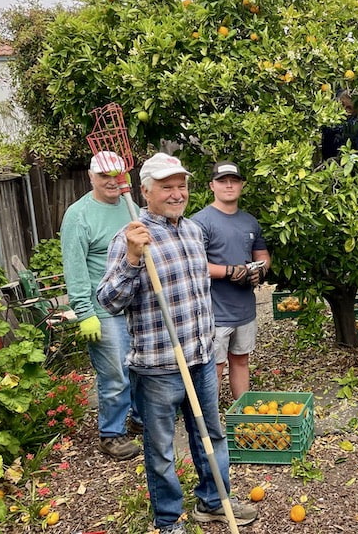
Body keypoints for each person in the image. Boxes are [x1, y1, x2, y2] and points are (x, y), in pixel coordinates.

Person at [96, 153, 257, 532]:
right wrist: (133, 259)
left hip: (200, 357)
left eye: (181, 185)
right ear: (146, 191)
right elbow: (109, 301)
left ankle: (213, 503)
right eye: (166, 186)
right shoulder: (131, 237)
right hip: (158, 367)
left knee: (211, 435)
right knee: (162, 452)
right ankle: (168, 521)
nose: (176, 193)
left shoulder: (193, 231)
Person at [60, 151, 142, 461]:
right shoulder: (79, 214)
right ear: (91, 177)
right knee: (115, 373)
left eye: (117, 175)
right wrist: (84, 312)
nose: (111, 181)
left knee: (138, 366)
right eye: (104, 175)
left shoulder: (130, 207)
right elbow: (75, 267)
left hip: (136, 304)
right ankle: (111, 434)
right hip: (103, 310)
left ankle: (137, 418)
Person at [192, 161, 271, 400]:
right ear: (211, 186)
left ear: (242, 185)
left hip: (244, 309)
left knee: (241, 360)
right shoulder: (199, 222)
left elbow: (263, 256)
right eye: (222, 181)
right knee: (214, 367)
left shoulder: (249, 221)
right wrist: (230, 271)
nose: (229, 185)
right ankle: (209, 424)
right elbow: (194, 266)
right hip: (213, 312)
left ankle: (241, 413)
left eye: (234, 181)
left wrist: (261, 271)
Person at [321, 89, 358, 161]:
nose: (344, 110)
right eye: (342, 105)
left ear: (356, 111)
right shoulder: (327, 121)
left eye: (349, 108)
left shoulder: (356, 127)